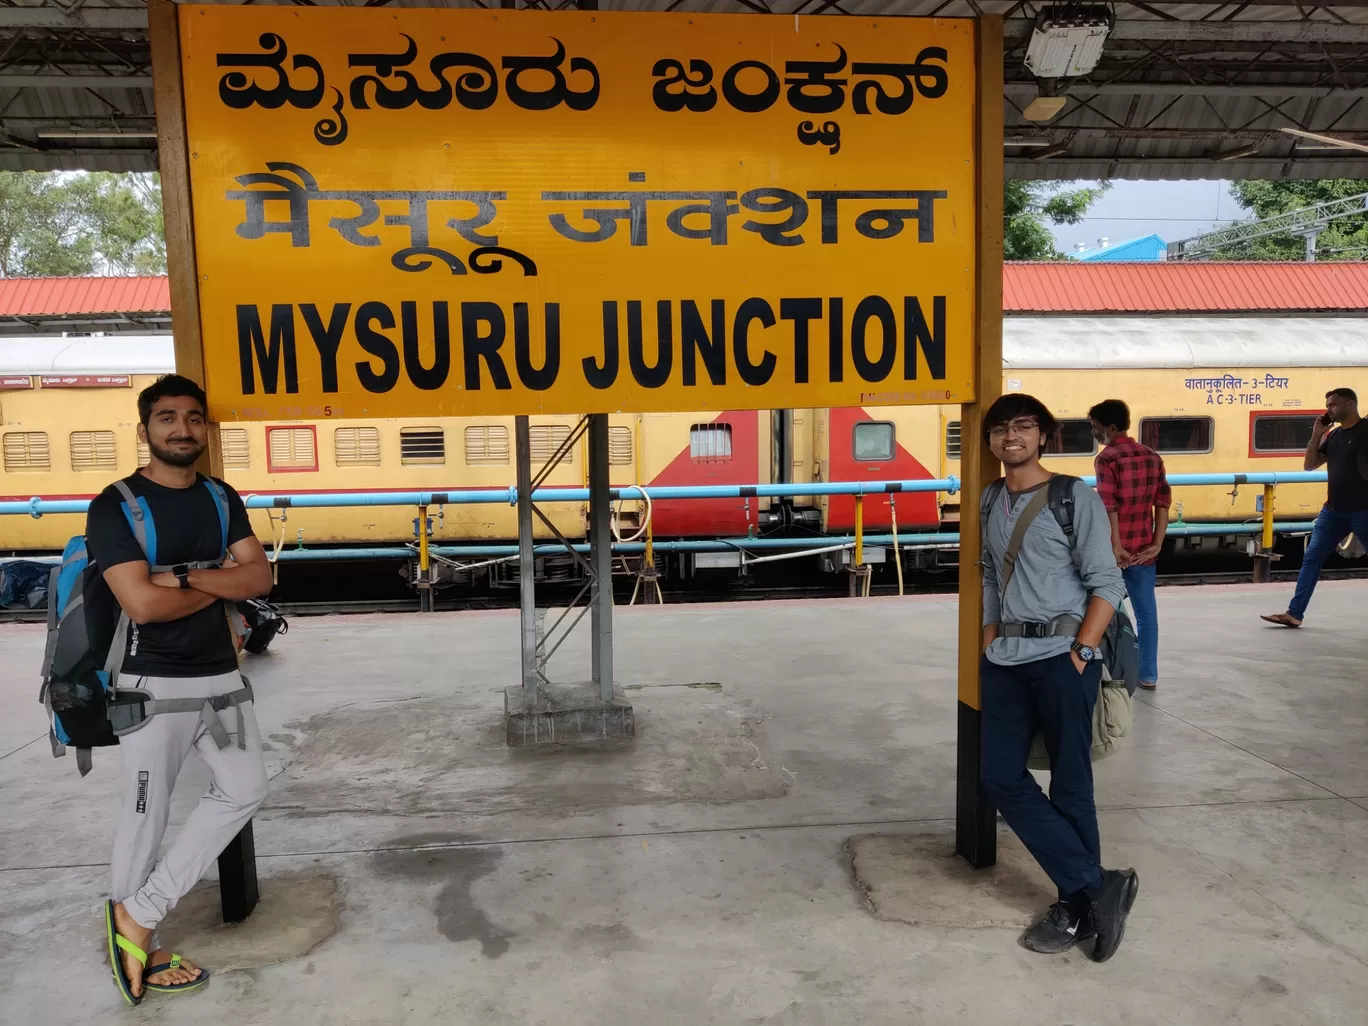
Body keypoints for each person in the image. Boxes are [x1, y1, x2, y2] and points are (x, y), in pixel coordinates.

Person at [85, 374, 273, 1003]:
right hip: (149, 681)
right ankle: (141, 943)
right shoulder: (114, 505)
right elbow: (140, 603)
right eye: (167, 419)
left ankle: (135, 913)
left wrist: (180, 578)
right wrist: (218, 576)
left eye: (193, 418)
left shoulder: (221, 496)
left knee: (245, 788)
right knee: (146, 816)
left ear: (204, 428)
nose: (182, 429)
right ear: (146, 430)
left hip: (221, 675)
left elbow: (261, 578)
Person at [979, 393, 1139, 961]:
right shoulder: (991, 498)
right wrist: (989, 634)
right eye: (1000, 429)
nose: (1011, 436)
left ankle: (1076, 905)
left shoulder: (1074, 497)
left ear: (1043, 436)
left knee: (1070, 782)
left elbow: (1107, 580)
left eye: (1023, 426)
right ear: (991, 441)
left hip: (1062, 658)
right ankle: (1097, 886)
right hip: (1005, 659)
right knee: (999, 775)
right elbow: (988, 577)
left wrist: (1080, 651)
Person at [1262, 387, 1368, 628]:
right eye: (1328, 405)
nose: (1328, 409)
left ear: (1350, 404)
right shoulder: (1333, 436)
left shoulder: (1366, 432)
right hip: (1333, 511)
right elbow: (1310, 465)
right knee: (1312, 558)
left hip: (1363, 509)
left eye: (1333, 405)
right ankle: (1294, 613)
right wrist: (1316, 434)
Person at [1089, 399, 1171, 690]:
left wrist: (1115, 546)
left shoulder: (1106, 459)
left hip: (1113, 552)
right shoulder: (1152, 456)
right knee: (1147, 613)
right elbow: (1162, 502)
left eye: (1096, 428)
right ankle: (1148, 674)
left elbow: (1108, 505)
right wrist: (1157, 543)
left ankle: (1107, 671)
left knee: (1102, 611)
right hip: (1143, 550)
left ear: (1110, 428)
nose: (1095, 434)